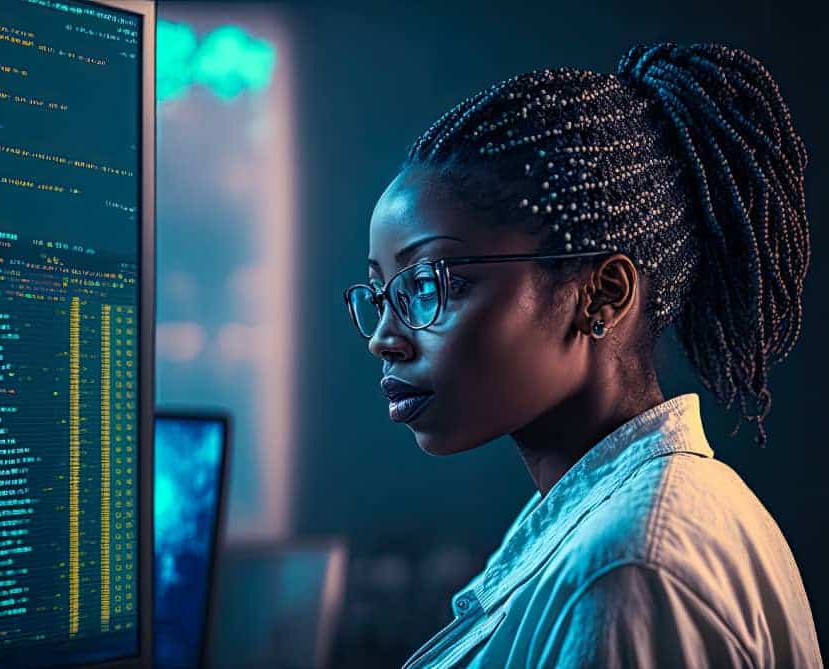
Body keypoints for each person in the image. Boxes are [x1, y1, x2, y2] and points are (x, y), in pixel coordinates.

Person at [343, 42, 822, 668]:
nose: (385, 336)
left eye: (431, 284)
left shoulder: (629, 574)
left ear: (602, 294)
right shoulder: (632, 527)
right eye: (383, 294)